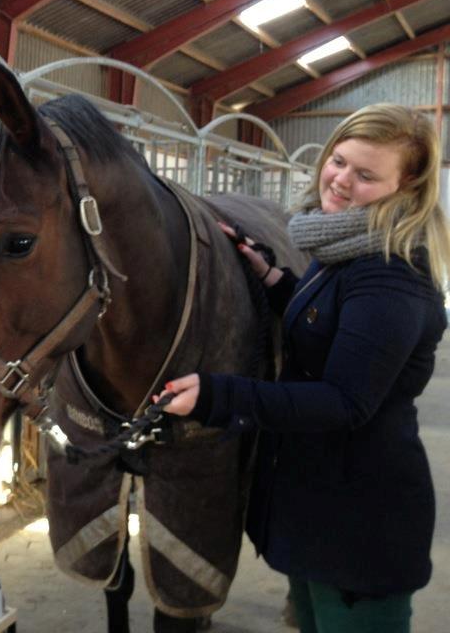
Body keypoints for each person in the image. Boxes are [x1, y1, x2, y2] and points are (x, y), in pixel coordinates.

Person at [156, 104, 449, 633]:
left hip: (359, 525)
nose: (340, 181)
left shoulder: (389, 275)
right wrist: (271, 276)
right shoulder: (342, 244)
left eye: (366, 175)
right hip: (318, 509)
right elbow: (332, 328)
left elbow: (343, 399)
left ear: (405, 187)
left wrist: (218, 396)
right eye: (338, 161)